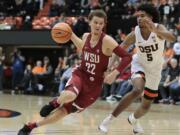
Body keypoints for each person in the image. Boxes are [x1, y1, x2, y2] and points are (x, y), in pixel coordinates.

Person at [17, 9, 132, 135]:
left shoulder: (107, 41)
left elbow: (127, 57)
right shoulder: (86, 36)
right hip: (81, 74)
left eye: (101, 23)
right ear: (90, 22)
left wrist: (114, 73)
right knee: (70, 95)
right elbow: (83, 47)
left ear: (104, 24)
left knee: (63, 113)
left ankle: (31, 126)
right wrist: (71, 35)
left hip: (94, 86)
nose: (98, 25)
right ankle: (54, 103)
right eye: (95, 22)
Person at [99, 4, 176, 134]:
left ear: (151, 17)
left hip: (155, 70)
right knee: (137, 89)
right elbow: (120, 48)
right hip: (139, 64)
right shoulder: (135, 33)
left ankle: (134, 119)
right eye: (138, 16)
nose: (139, 18)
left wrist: (155, 30)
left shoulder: (159, 28)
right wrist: (110, 66)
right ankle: (108, 120)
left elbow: (172, 38)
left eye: (143, 16)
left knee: (146, 106)